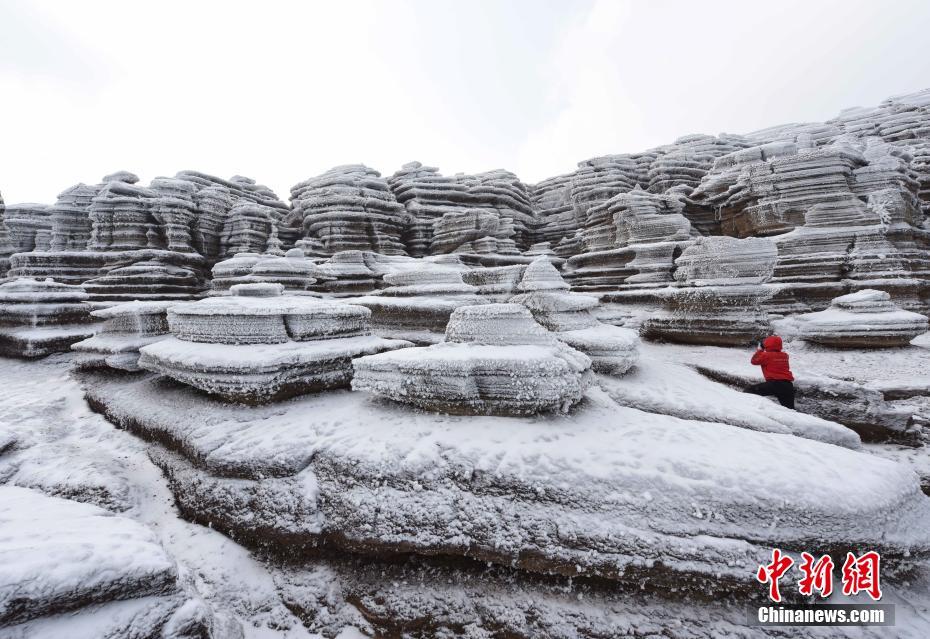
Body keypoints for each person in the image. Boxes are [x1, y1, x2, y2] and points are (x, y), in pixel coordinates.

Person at [744, 335, 795, 409]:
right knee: (790, 410)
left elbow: (754, 361)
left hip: (774, 384)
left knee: (749, 391)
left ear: (767, 344)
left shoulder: (766, 355)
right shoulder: (785, 356)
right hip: (788, 386)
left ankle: (750, 410)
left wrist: (760, 349)